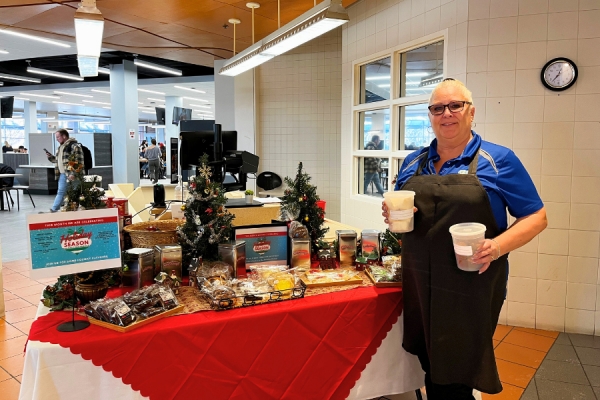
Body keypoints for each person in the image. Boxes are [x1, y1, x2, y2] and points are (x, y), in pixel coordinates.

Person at [382, 79, 547, 399]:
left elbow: (536, 216)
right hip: (420, 281)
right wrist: (393, 216)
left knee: (456, 372)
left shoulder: (498, 160)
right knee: (431, 364)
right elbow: (406, 211)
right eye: (437, 108)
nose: (447, 113)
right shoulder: (412, 161)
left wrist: (498, 246)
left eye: (455, 105)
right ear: (430, 115)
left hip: (470, 283)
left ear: (471, 112)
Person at [45, 129, 84, 213]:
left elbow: (79, 161)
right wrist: (50, 157)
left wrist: (73, 173)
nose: (57, 139)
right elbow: (59, 161)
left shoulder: (74, 146)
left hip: (72, 174)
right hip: (63, 174)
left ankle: (76, 211)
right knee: (61, 192)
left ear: (64, 136)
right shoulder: (60, 147)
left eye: (58, 137)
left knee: (75, 193)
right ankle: (54, 209)